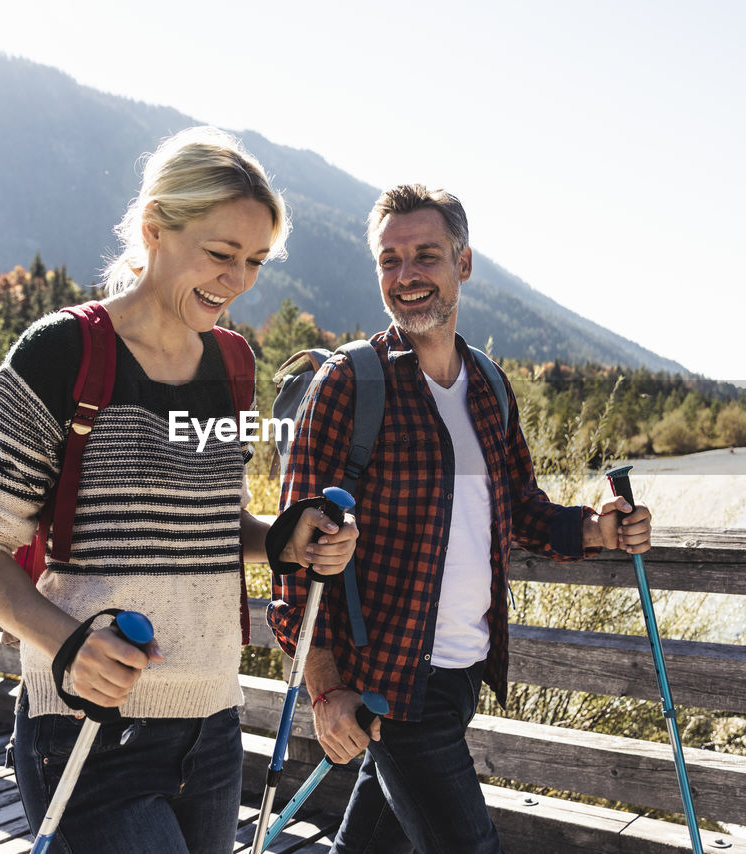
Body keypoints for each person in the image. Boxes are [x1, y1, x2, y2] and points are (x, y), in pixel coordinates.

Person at [0, 126, 358, 854]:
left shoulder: (232, 367)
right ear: (154, 229)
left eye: (255, 261)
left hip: (214, 726)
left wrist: (284, 540)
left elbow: (211, 525)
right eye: (222, 254)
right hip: (86, 726)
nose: (237, 280)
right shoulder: (61, 352)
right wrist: (69, 647)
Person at [268, 184, 653, 854]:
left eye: (426, 256)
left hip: (462, 673)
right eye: (390, 260)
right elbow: (296, 556)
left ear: (463, 264)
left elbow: (522, 510)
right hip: (388, 684)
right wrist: (325, 689)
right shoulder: (349, 384)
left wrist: (598, 527)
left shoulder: (489, 387)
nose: (407, 275)